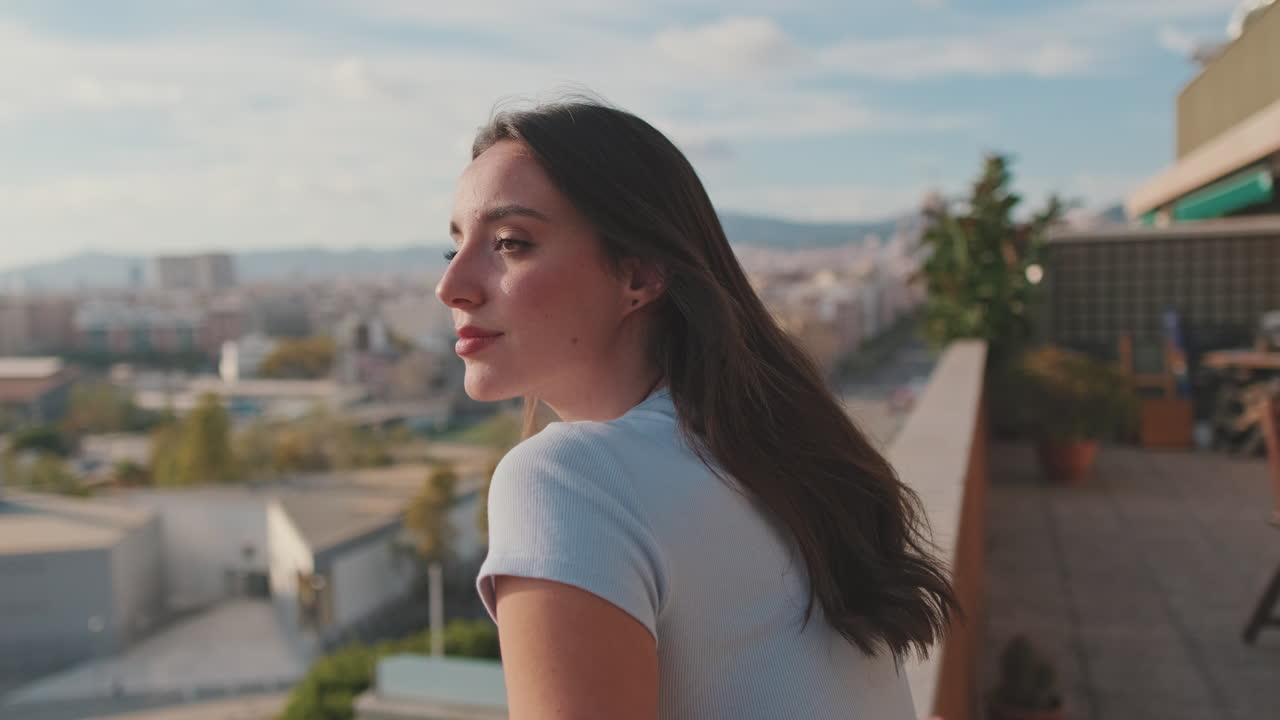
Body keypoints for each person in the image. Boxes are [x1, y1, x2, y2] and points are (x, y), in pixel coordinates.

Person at [436, 98, 957, 719]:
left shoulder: (567, 479)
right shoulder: (771, 455)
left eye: (510, 243)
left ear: (640, 274)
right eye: (454, 248)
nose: (452, 286)